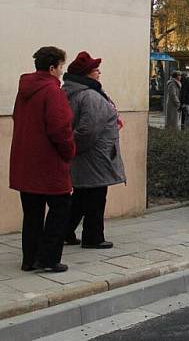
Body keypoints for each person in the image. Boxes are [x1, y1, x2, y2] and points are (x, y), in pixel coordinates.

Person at [10, 47, 76, 273]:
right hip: (49, 163)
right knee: (61, 208)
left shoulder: (24, 90)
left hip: (25, 162)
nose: (61, 72)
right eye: (60, 67)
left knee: (32, 213)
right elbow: (60, 128)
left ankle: (29, 259)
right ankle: (48, 258)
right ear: (52, 68)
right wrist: (69, 152)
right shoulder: (52, 91)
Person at [61, 51, 126, 250]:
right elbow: (88, 130)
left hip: (87, 155)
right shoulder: (90, 95)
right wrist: (74, 148)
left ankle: (65, 231)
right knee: (96, 198)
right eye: (96, 70)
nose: (99, 73)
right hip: (96, 155)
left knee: (80, 196)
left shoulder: (71, 91)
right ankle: (93, 236)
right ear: (86, 74)